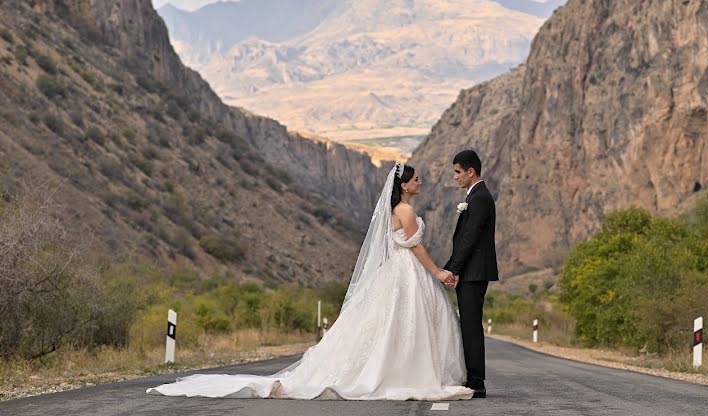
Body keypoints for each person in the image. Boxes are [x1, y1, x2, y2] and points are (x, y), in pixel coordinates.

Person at [147, 163, 473, 401]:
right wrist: (438, 272)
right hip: (408, 270)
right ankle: (407, 372)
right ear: (404, 185)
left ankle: (396, 368)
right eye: (417, 179)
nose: (421, 182)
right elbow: (416, 247)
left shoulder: (397, 209)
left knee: (391, 324)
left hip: (396, 271)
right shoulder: (406, 210)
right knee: (405, 323)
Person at [443, 150, 498, 399]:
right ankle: (472, 378)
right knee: (469, 325)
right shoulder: (475, 196)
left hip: (474, 273)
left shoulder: (480, 198)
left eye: (457, 171)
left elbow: (470, 238)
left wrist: (453, 269)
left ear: (470, 171)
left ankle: (476, 382)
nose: (455, 177)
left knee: (472, 327)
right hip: (471, 271)